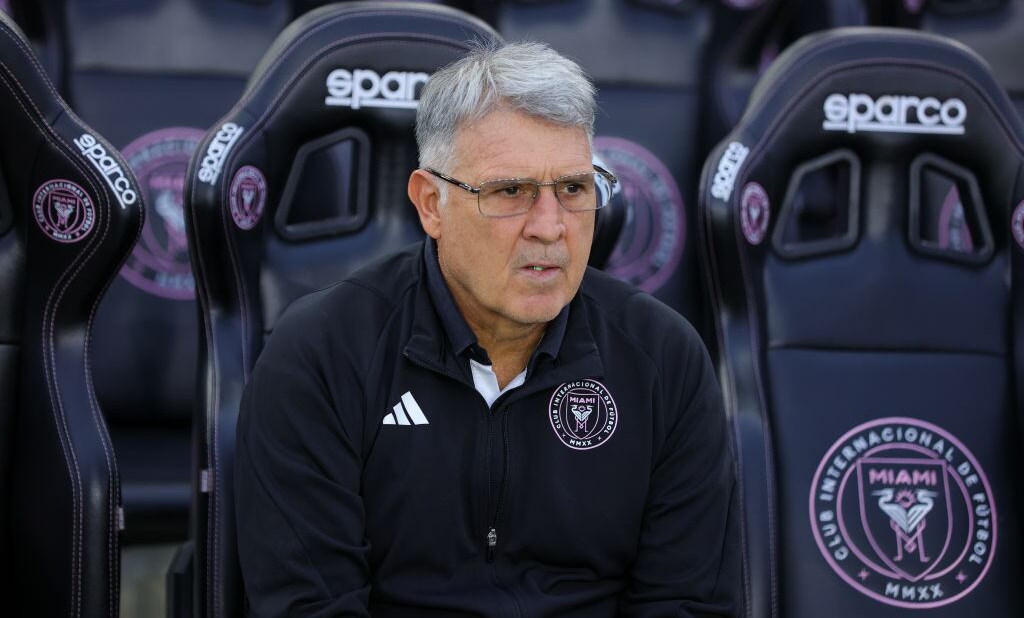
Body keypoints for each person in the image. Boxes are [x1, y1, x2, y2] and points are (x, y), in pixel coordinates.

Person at [234, 41, 740, 617]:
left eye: (573, 190)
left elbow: (688, 604)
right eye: (510, 192)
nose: (550, 228)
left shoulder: (664, 359)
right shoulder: (320, 355)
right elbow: (310, 607)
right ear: (431, 204)